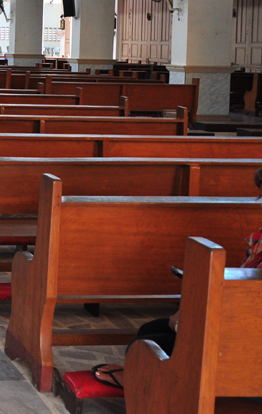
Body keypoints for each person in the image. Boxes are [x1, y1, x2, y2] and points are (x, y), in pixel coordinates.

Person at [92, 166, 262, 389]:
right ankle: (147, 382)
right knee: (150, 330)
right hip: (237, 324)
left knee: (146, 346)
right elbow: (240, 288)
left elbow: (248, 313)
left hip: (244, 347)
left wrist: (184, 324)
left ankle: (162, 391)